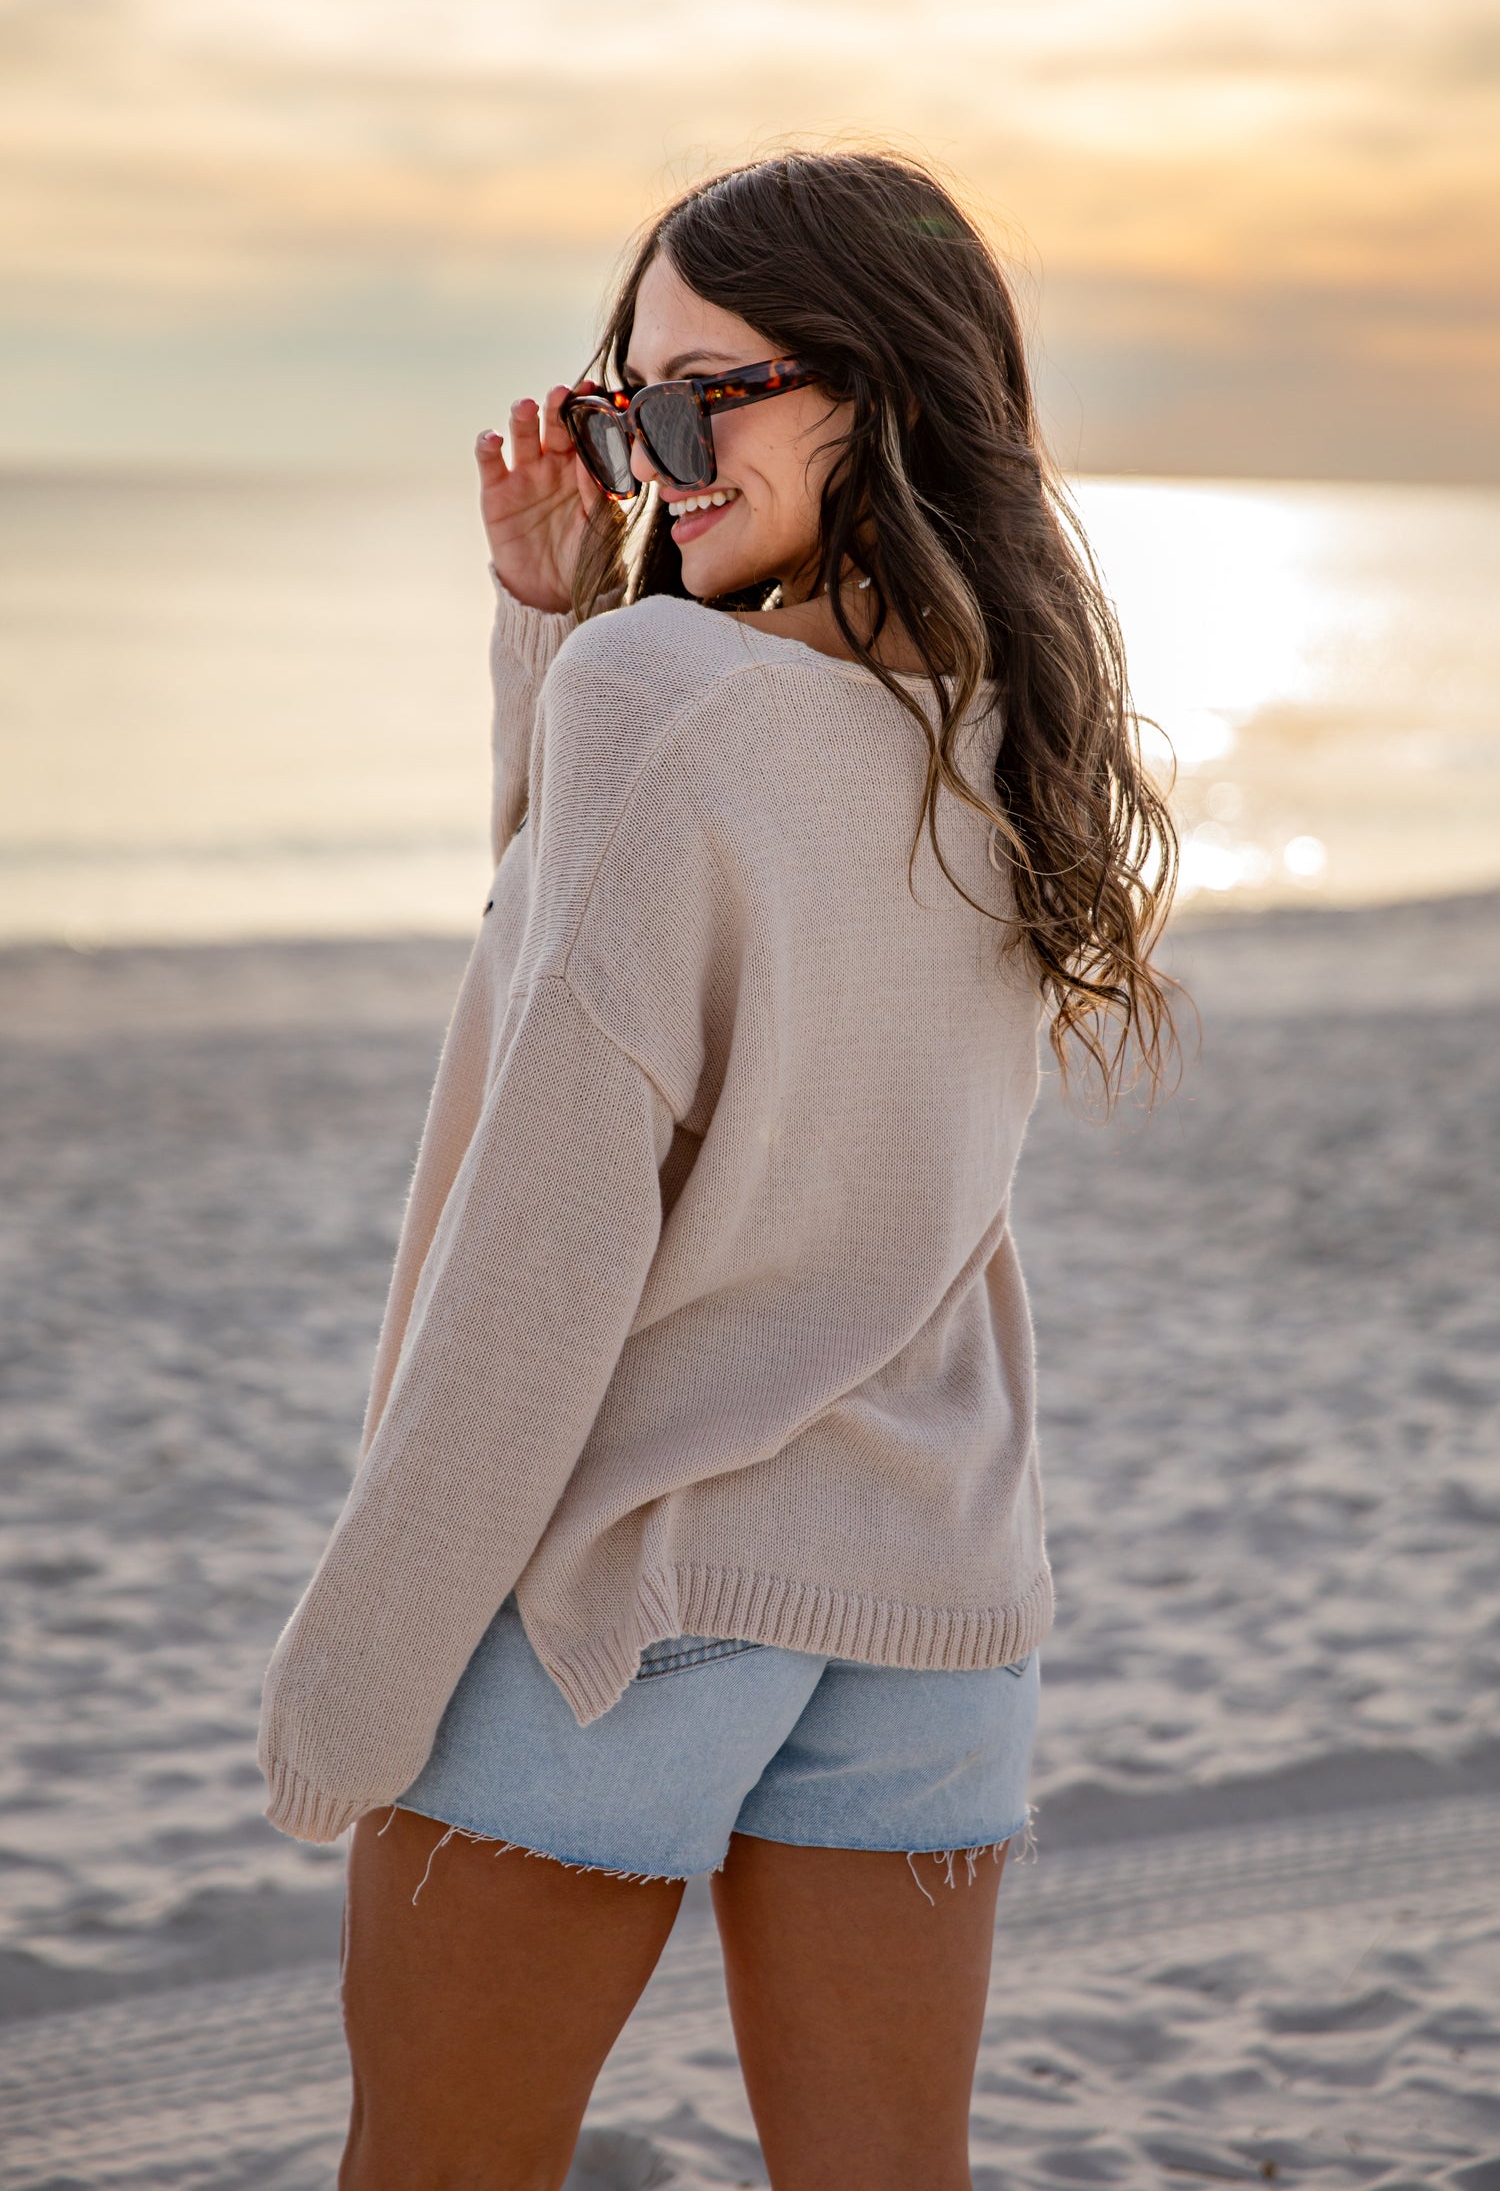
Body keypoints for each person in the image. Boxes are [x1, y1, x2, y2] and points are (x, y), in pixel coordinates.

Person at [258, 147, 1178, 2191]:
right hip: (938, 1587)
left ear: (883, 394)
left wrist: (360, 1662)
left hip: (639, 1588)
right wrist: (555, 631)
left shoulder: (657, 695)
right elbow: (627, 967)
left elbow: (547, 1229)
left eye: (700, 404)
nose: (650, 463)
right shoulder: (1011, 736)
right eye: (624, 408)